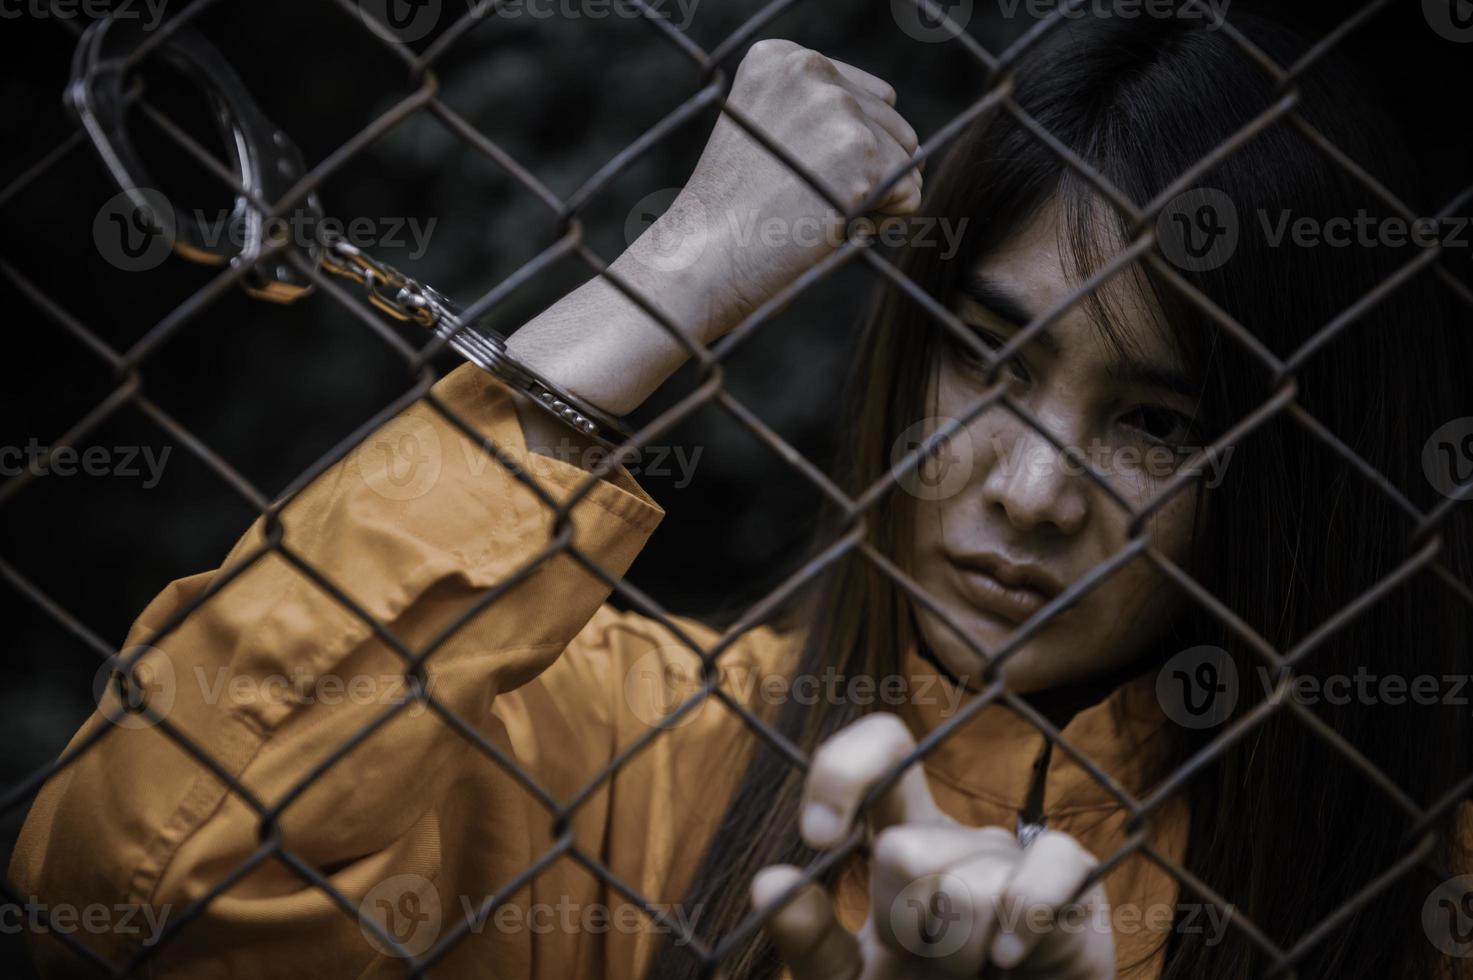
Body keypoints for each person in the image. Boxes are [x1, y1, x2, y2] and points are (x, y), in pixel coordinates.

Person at [11, 10, 1473, 980]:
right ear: (905, 358)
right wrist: (677, 270)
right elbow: (130, 873)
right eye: (988, 355)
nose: (1030, 494)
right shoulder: (612, 748)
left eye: (1157, 421)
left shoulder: (1416, 875)